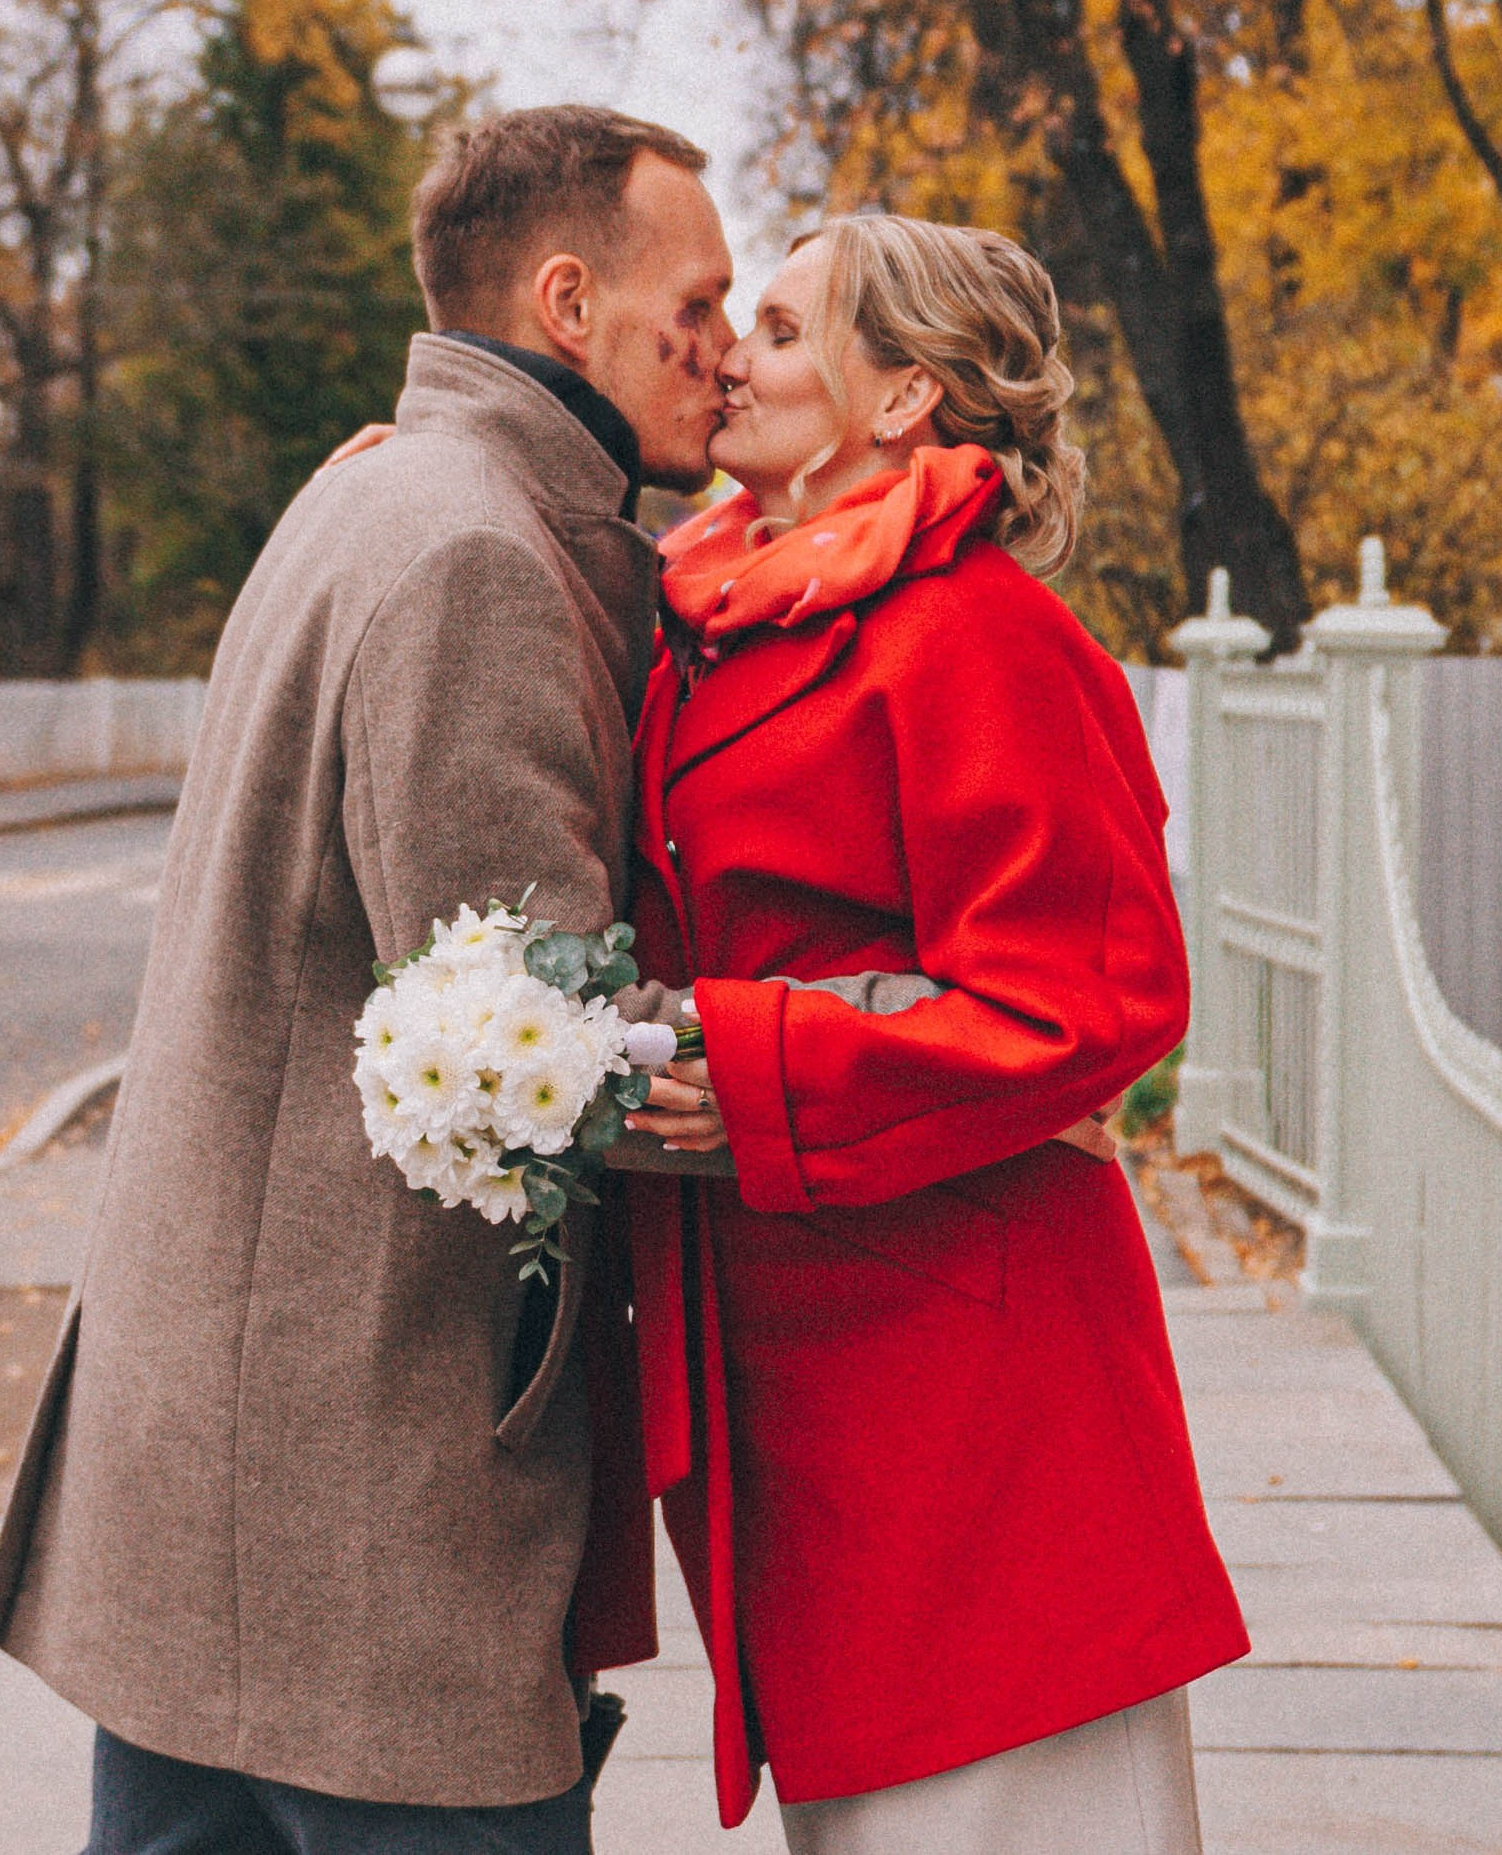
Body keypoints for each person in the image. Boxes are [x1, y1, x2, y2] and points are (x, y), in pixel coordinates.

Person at [0, 105, 737, 1855]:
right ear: (568, 302)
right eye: (691, 304)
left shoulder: (377, 493)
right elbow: (519, 1051)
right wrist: (925, 1065)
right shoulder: (474, 550)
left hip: (213, 1506)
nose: (719, 341)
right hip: (363, 1525)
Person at [623, 212, 1247, 1849]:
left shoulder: (976, 631)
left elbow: (1092, 995)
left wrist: (753, 1057)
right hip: (816, 1377)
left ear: (899, 396)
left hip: (976, 1399)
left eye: (773, 325)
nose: (728, 356)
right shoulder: (718, 612)